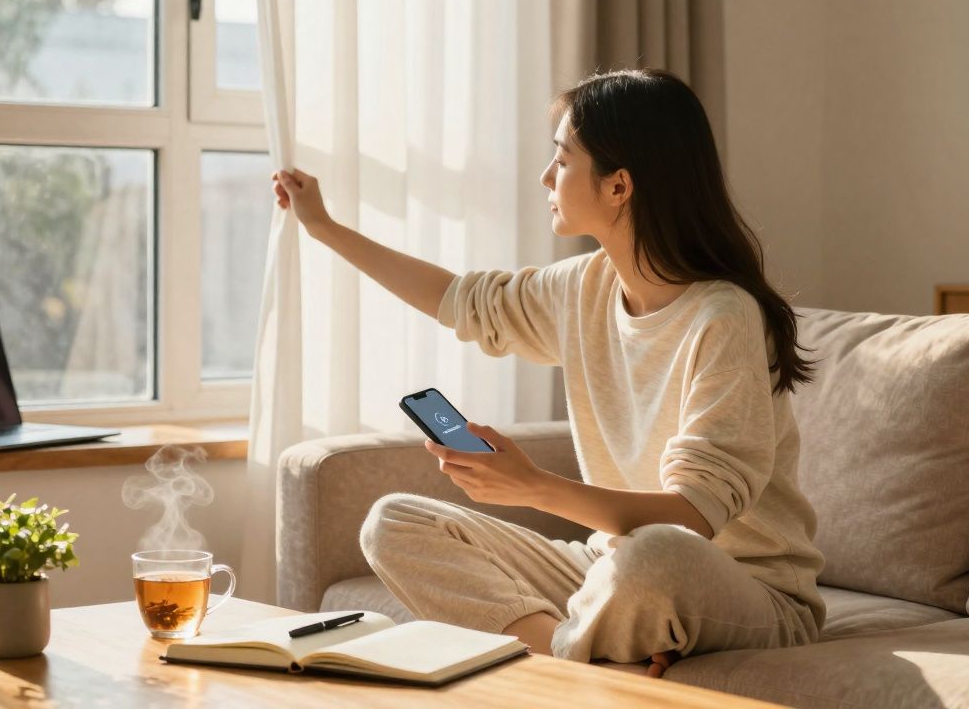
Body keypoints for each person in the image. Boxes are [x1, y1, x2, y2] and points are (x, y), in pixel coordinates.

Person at [269, 69, 824, 678]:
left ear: (619, 186)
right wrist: (322, 227)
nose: (545, 177)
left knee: (655, 554)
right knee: (395, 522)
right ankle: (576, 662)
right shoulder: (584, 287)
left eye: (561, 160)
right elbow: (458, 299)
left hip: (744, 591)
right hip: (610, 569)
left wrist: (530, 486)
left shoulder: (725, 317)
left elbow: (691, 517)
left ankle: (560, 667)